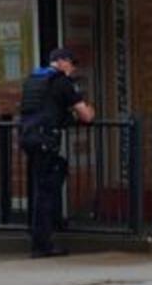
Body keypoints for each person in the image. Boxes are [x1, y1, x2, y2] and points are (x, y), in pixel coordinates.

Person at [18, 47, 95, 258]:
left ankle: (48, 229)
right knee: (46, 191)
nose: (72, 69)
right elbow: (86, 116)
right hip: (45, 140)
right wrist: (89, 110)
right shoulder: (61, 82)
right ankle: (41, 244)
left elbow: (45, 109)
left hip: (29, 137)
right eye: (71, 64)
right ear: (62, 62)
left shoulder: (34, 80)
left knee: (46, 181)